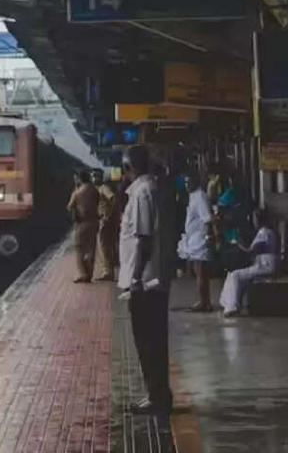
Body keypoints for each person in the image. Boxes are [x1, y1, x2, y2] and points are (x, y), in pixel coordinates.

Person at [118, 145, 172, 415]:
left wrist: (136, 277)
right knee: (153, 340)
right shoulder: (152, 188)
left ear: (129, 168)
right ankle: (158, 393)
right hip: (152, 279)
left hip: (146, 282)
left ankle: (157, 396)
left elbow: (143, 238)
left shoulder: (142, 192)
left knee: (147, 341)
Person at [219, 209, 278, 318]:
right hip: (263, 264)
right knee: (232, 274)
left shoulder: (263, 232)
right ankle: (227, 303)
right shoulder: (268, 232)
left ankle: (232, 307)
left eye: (255, 218)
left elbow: (250, 250)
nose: (253, 221)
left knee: (236, 275)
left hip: (265, 265)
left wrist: (237, 243)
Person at [180, 173, 214, 311]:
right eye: (185, 182)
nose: (187, 185)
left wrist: (207, 236)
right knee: (198, 272)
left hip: (199, 239)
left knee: (201, 272)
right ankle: (204, 301)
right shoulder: (192, 196)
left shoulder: (200, 196)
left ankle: (204, 302)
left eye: (189, 182)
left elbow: (207, 218)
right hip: (192, 239)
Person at [66, 170, 99, 283]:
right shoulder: (94, 190)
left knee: (79, 248)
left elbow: (70, 207)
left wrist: (75, 189)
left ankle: (82, 273)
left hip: (82, 223)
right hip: (94, 222)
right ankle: (89, 274)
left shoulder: (78, 192)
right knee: (91, 248)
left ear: (79, 178)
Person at [92, 169, 116, 281]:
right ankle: (106, 270)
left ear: (100, 177)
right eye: (92, 176)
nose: (93, 178)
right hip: (101, 219)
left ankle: (108, 272)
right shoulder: (98, 189)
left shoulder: (103, 188)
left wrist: (108, 214)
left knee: (104, 246)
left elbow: (112, 197)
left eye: (95, 176)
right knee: (103, 246)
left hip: (103, 220)